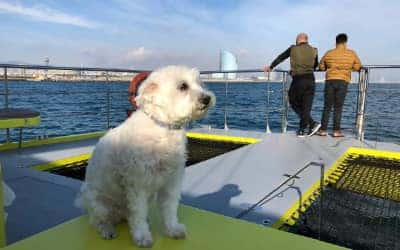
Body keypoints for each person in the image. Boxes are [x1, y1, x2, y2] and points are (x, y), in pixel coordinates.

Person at [264, 33, 321, 137]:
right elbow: (315, 65)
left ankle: (311, 124)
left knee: (293, 101)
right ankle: (305, 128)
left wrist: (271, 67)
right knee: (306, 106)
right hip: (310, 79)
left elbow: (281, 57)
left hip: (299, 79)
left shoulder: (292, 48)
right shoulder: (314, 50)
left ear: (298, 40)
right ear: (306, 40)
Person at [318, 33, 362, 137]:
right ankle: (336, 131)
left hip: (330, 80)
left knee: (327, 106)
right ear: (345, 42)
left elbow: (321, 66)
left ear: (336, 42)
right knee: (338, 107)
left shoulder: (329, 53)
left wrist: (328, 67)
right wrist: (349, 67)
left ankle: (323, 130)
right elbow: (357, 66)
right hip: (343, 81)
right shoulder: (351, 53)